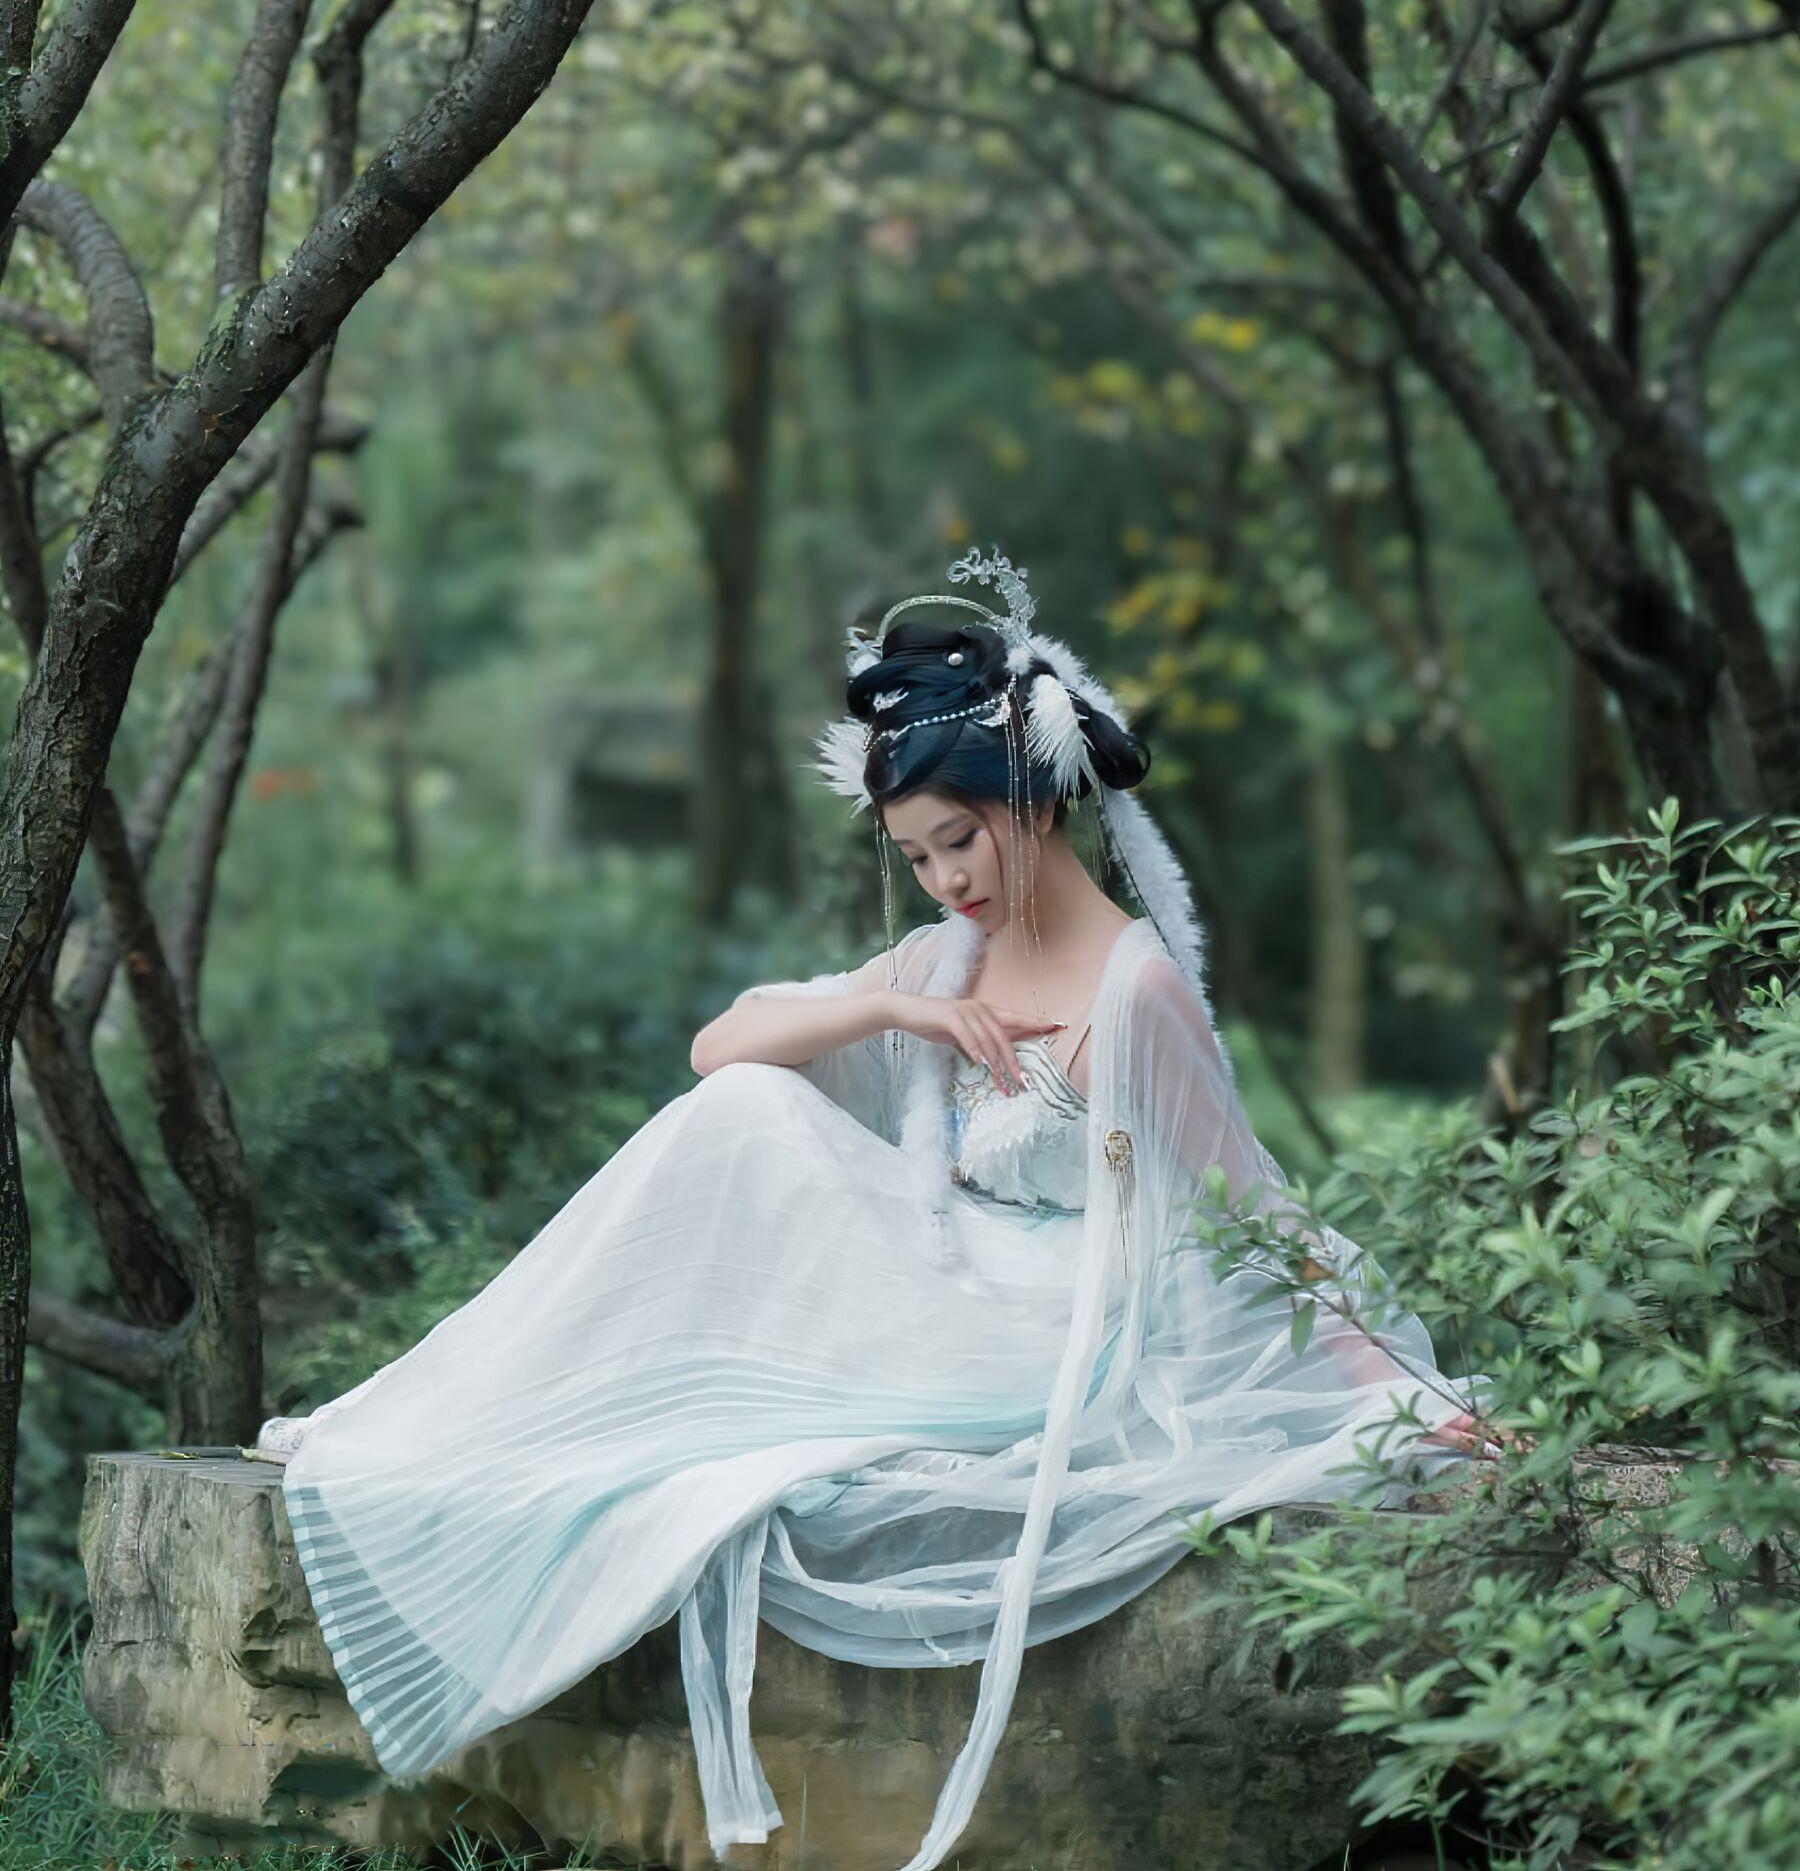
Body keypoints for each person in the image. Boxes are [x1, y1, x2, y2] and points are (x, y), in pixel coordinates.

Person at [255, 546, 1497, 1871]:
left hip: (1055, 1328)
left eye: (961, 839)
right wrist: (905, 1009)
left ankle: (549, 1412)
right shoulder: (939, 959)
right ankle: (467, 1411)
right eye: (916, 855)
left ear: (1034, 799)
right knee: (749, 1107)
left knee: (759, 1139)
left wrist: (1404, 1396)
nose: (947, 878)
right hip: (951, 1280)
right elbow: (719, 1049)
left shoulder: (1135, 991)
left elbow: (1257, 1209)